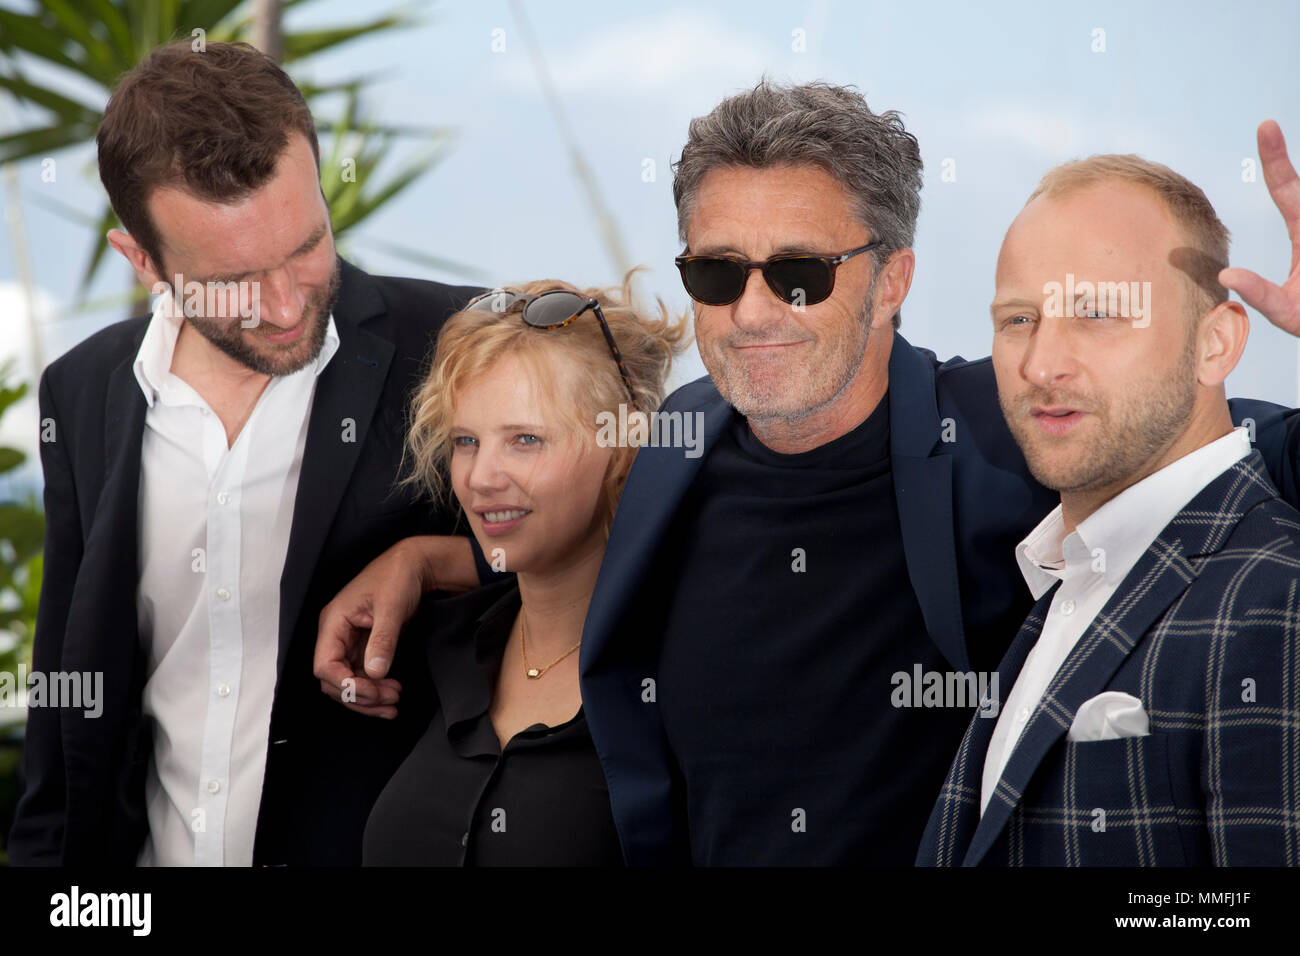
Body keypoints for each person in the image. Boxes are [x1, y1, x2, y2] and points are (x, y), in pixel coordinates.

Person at [317, 82, 1300, 865]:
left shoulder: (1007, 431)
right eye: (714, 272)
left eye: (799, 274)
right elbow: (565, 526)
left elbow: (1230, 461)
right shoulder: (675, 444)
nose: (750, 310)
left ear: (892, 281)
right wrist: (429, 558)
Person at [7, 41, 488, 867]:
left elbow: (611, 551)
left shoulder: (458, 345)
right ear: (142, 260)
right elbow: (65, 709)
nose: (286, 304)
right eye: (235, 280)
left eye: (306, 246)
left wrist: (433, 560)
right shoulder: (80, 393)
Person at [917, 156, 1300, 866]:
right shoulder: (1068, 580)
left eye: (1096, 314)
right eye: (1019, 318)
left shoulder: (1278, 601)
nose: (1042, 364)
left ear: (1215, 343)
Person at [361, 276, 687, 865]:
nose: (481, 477)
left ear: (626, 444)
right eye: (466, 441)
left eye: (526, 440)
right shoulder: (438, 647)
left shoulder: (685, 673)